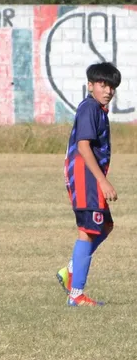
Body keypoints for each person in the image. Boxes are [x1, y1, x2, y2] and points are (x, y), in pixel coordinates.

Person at [56, 62, 121, 307]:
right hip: (86, 179)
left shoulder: (97, 109)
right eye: (102, 84)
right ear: (90, 85)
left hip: (90, 179)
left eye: (112, 86)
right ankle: (76, 294)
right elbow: (84, 146)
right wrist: (102, 181)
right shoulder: (90, 108)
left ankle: (71, 270)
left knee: (105, 226)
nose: (108, 90)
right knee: (87, 231)